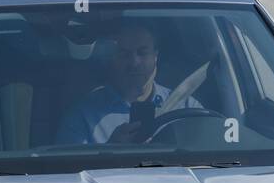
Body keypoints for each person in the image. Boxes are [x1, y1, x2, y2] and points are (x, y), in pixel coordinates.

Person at [55, 20, 200, 145]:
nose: (134, 62)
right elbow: (66, 173)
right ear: (112, 59)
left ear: (156, 56)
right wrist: (109, 152)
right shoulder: (82, 118)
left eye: (142, 53)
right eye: (124, 54)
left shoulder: (186, 108)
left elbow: (208, 157)